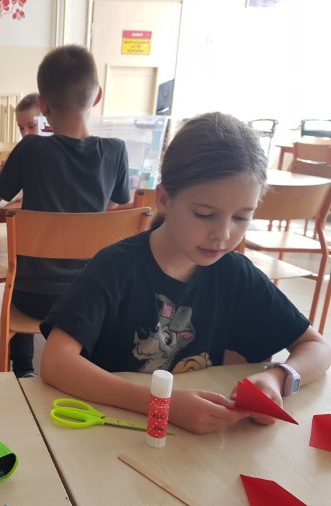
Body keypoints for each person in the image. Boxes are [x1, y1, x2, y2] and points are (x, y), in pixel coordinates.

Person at [40, 112, 331, 434]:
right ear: (165, 199)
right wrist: (160, 403)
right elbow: (56, 362)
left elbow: (317, 347)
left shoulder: (235, 273)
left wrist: (278, 377)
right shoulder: (116, 267)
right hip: (116, 429)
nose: (223, 235)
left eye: (241, 217)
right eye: (204, 214)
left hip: (190, 441)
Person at [0, 45, 131, 378]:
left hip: (32, 296)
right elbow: (113, 209)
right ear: (97, 96)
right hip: (89, 297)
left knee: (20, 274)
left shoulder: (30, 148)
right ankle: (84, 365)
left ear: (43, 105)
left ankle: (23, 369)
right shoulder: (116, 152)